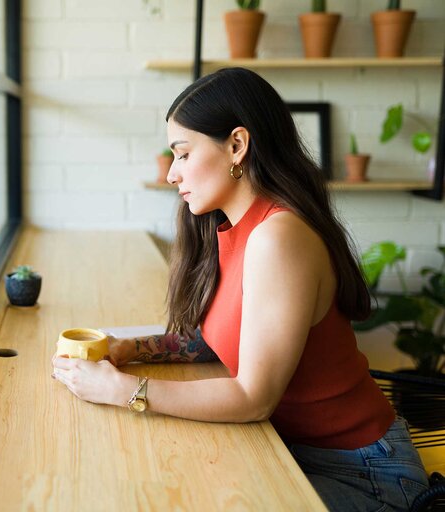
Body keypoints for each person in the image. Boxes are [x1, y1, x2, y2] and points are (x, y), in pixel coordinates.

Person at [51, 67, 429, 511]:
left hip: (364, 474)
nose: (172, 173)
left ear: (237, 145)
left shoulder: (278, 236)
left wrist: (123, 391)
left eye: (184, 154)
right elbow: (217, 336)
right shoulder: (233, 227)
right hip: (291, 450)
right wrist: (125, 349)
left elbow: (254, 397)